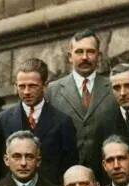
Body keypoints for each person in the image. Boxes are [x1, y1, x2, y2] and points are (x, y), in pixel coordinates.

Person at [0, 58, 78, 184]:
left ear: (45, 86)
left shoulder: (63, 122)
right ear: (16, 86)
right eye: (22, 86)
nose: (26, 92)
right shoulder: (2, 120)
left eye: (32, 86)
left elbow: (69, 166)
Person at [45, 29, 116, 170]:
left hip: (105, 172)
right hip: (65, 173)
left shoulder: (114, 88)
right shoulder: (52, 91)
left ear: (99, 56)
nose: (85, 57)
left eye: (90, 52)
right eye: (79, 52)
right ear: (70, 57)